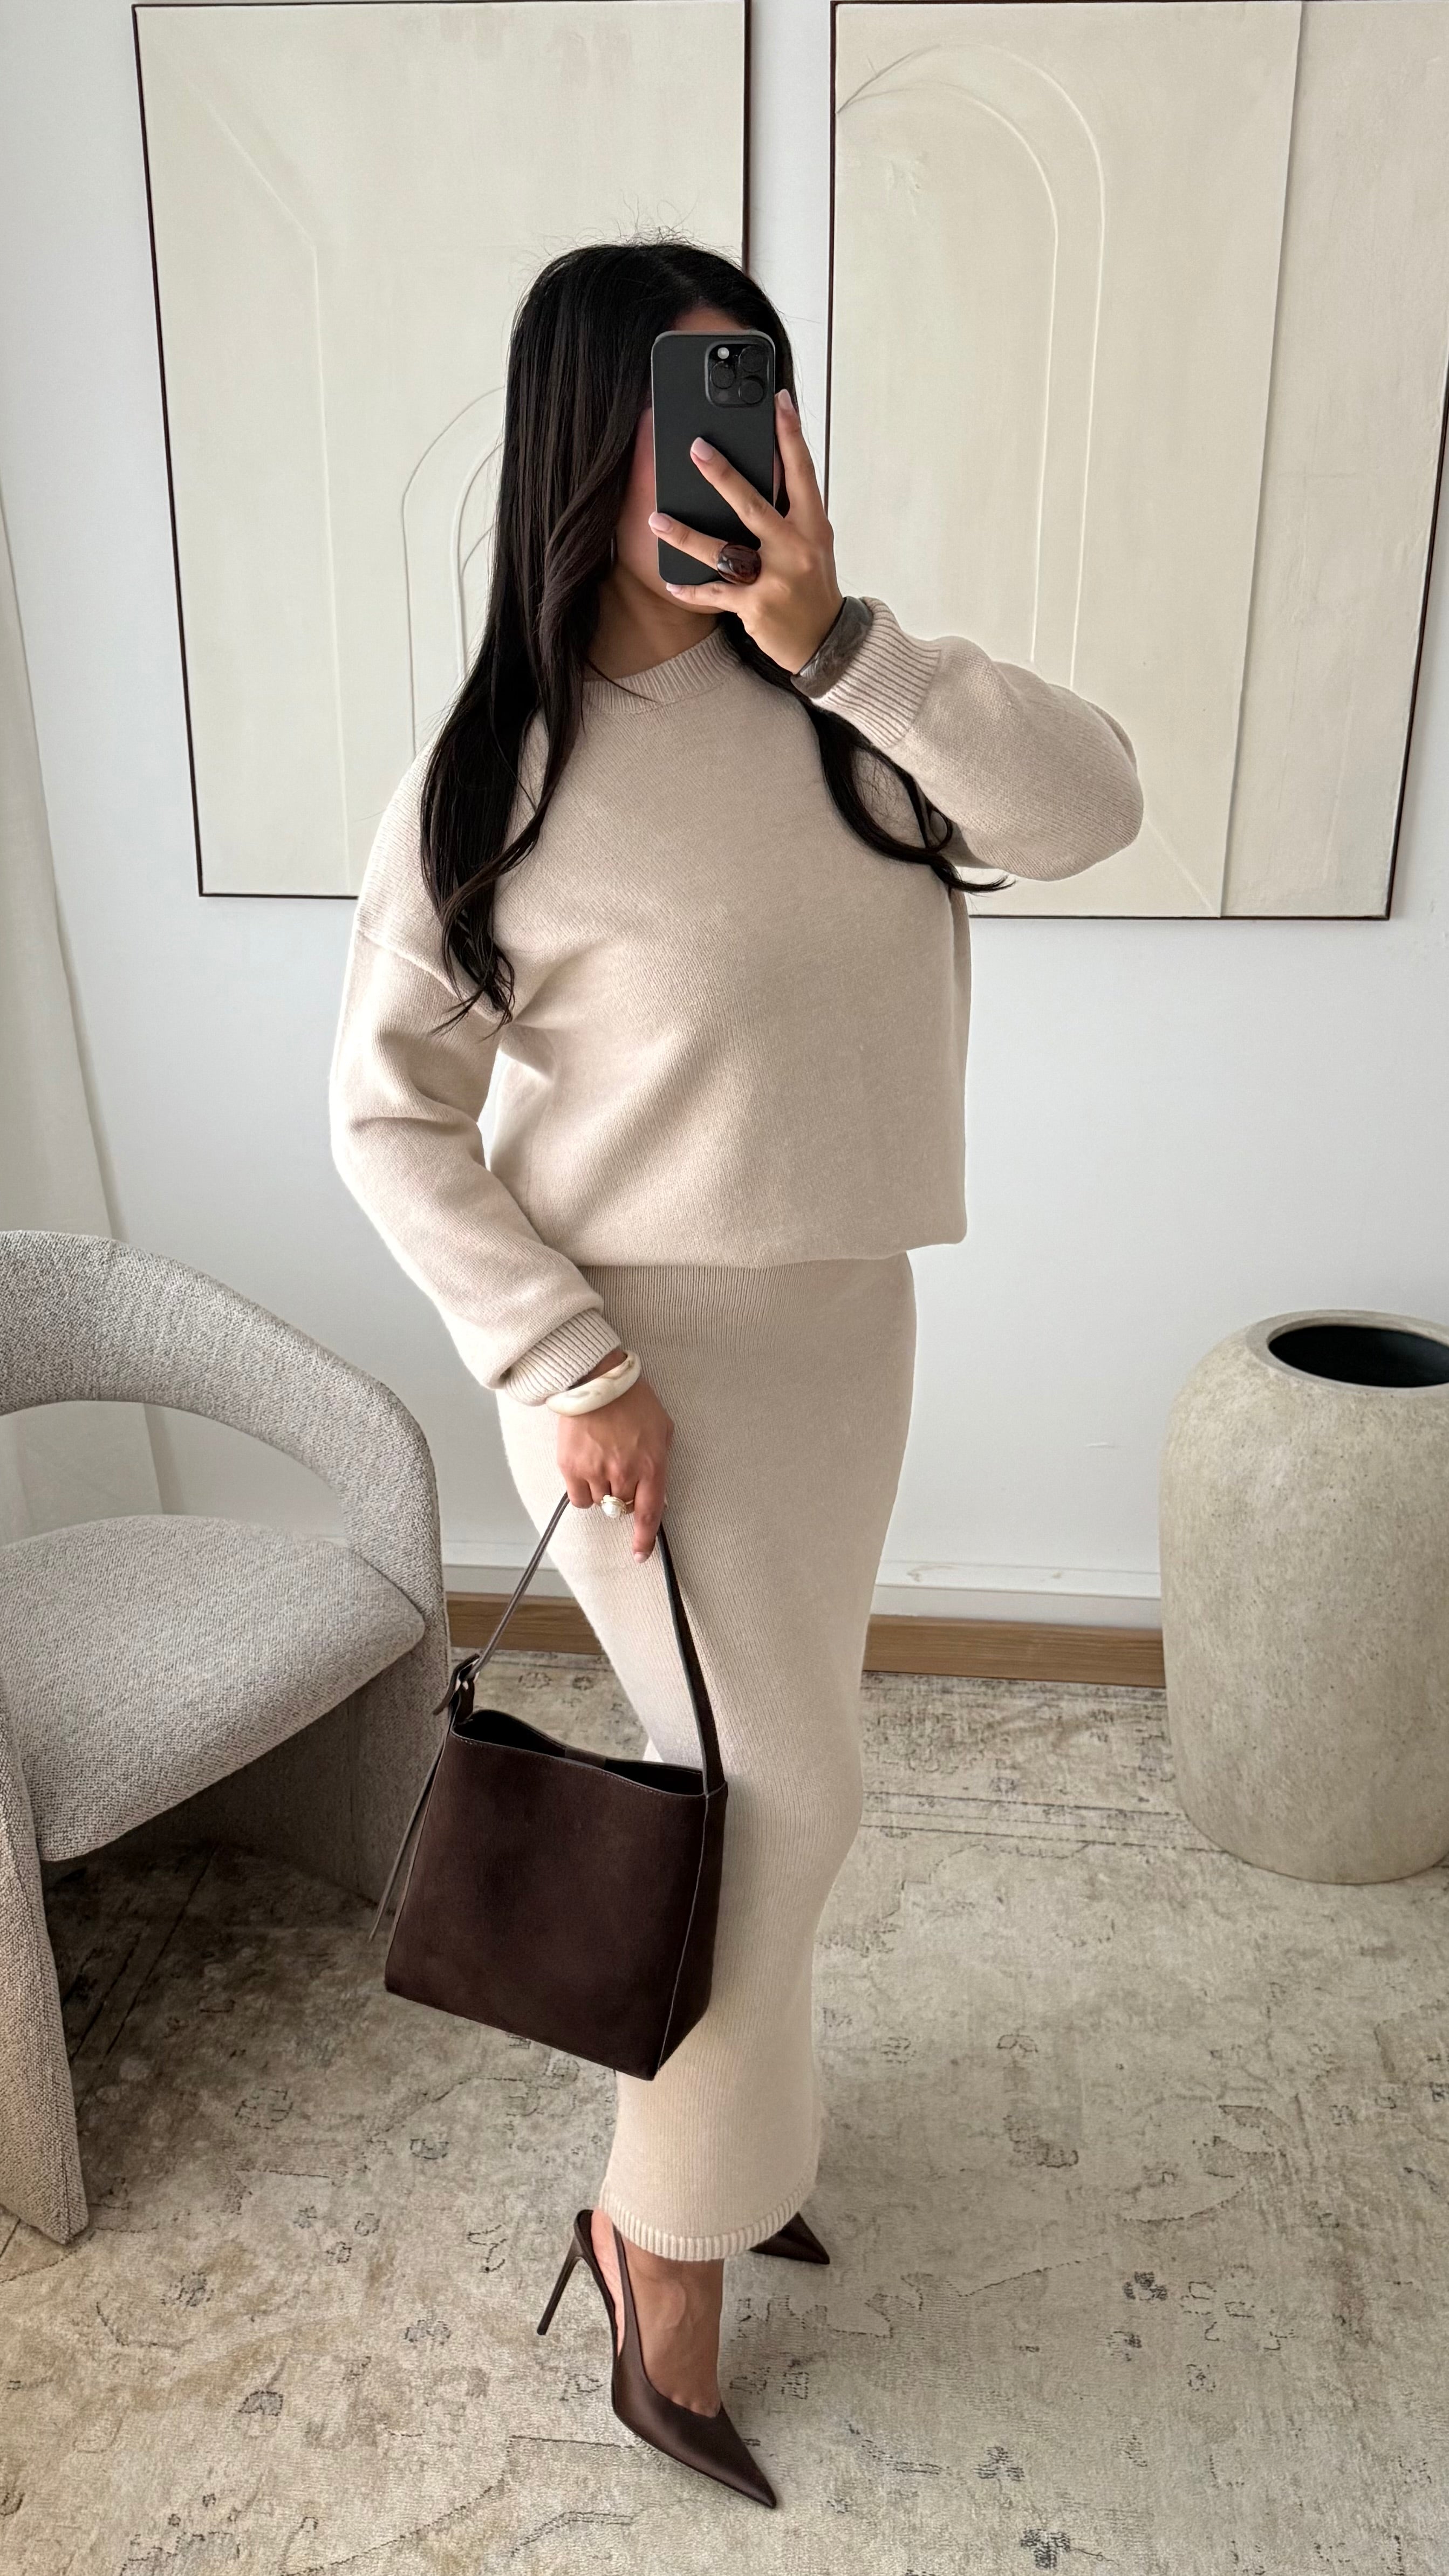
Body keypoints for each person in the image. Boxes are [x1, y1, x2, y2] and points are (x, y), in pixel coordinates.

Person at [329, 238, 1143, 2509]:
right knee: (774, 1806)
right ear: (587, 443)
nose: (727, 461)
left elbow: (1091, 806)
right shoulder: (496, 772)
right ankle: (659, 2247)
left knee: (782, 1785)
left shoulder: (850, 706)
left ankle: (737, 2139)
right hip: (630, 1377)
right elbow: (385, 1114)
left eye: (756, 403)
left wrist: (841, 636)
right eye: (683, 416)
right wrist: (567, 1356)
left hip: (840, 1338)